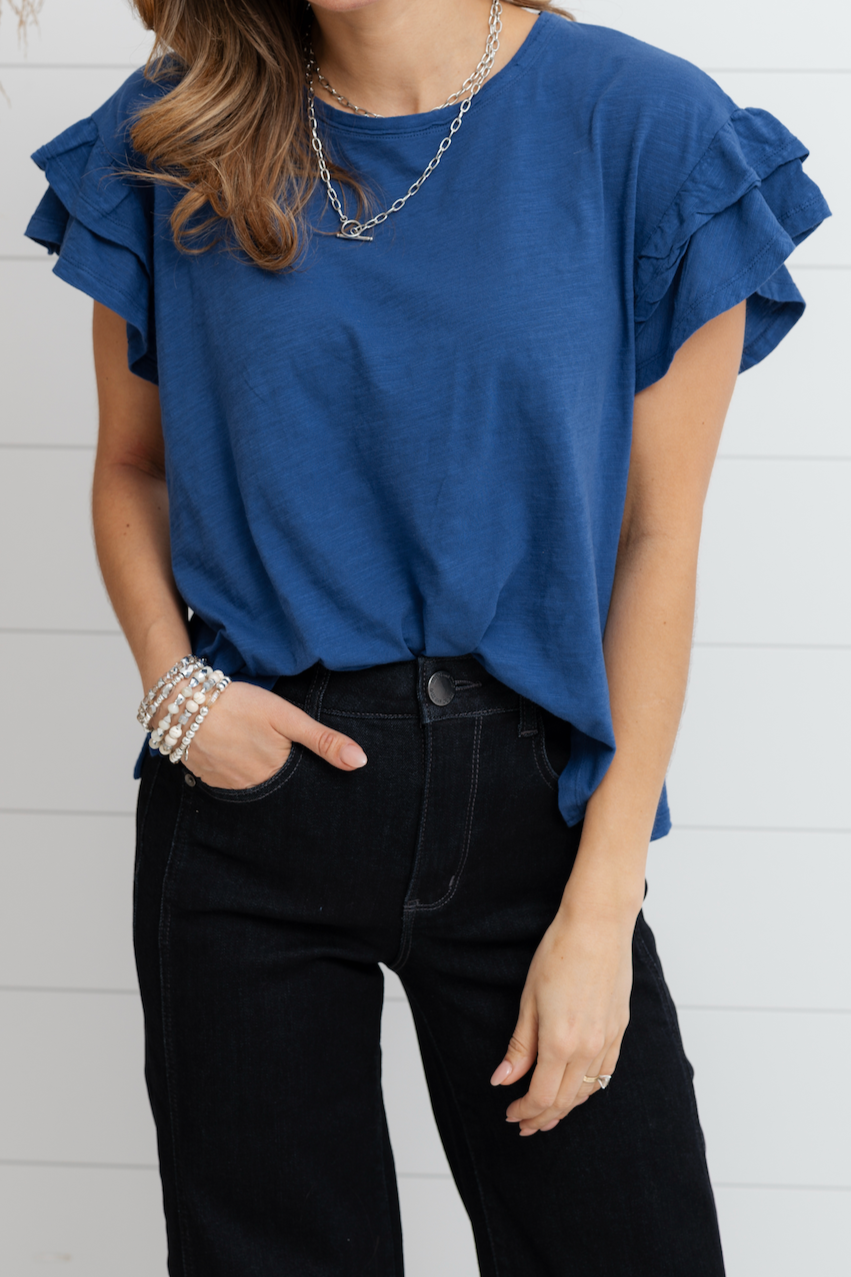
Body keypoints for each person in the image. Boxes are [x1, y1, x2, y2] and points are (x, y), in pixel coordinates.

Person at [24, 1, 830, 1273]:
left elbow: (654, 543)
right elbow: (132, 468)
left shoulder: (645, 126)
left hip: (533, 808)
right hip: (248, 809)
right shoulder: (177, 126)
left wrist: (601, 904)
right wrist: (177, 693)